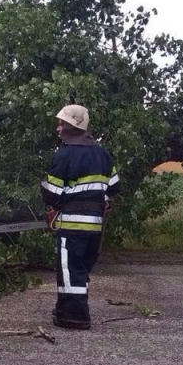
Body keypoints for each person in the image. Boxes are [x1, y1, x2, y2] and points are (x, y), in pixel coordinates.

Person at [41, 104, 120, 330]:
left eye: (61, 123)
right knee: (80, 270)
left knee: (69, 272)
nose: (58, 128)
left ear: (71, 126)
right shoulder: (102, 153)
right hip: (95, 226)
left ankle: (73, 316)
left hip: (71, 225)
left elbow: (51, 191)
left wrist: (52, 206)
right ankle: (70, 309)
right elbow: (114, 186)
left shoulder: (64, 155)